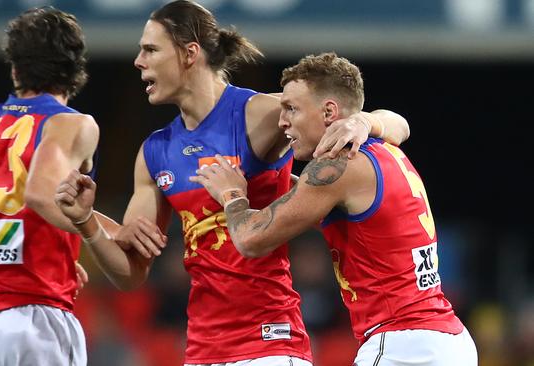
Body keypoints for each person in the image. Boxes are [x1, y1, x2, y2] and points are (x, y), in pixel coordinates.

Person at [56, 1, 409, 365]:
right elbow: (131, 274)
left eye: (150, 49)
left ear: (189, 53)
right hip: (201, 349)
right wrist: (86, 221)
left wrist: (365, 124)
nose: (138, 61)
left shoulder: (260, 114)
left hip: (270, 344)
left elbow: (395, 124)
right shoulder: (154, 153)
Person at [190, 52, 478, 365]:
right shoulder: (384, 148)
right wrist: (365, 120)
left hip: (405, 346)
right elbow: (400, 124)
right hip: (445, 339)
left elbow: (250, 239)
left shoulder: (336, 166)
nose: (282, 120)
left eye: (292, 108)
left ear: (329, 111)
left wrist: (232, 195)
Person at [0, 7, 165, 365]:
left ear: (15, 67)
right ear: (75, 68)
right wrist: (106, 233)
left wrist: (19, 261)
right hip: (32, 319)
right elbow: (39, 193)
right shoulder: (71, 124)